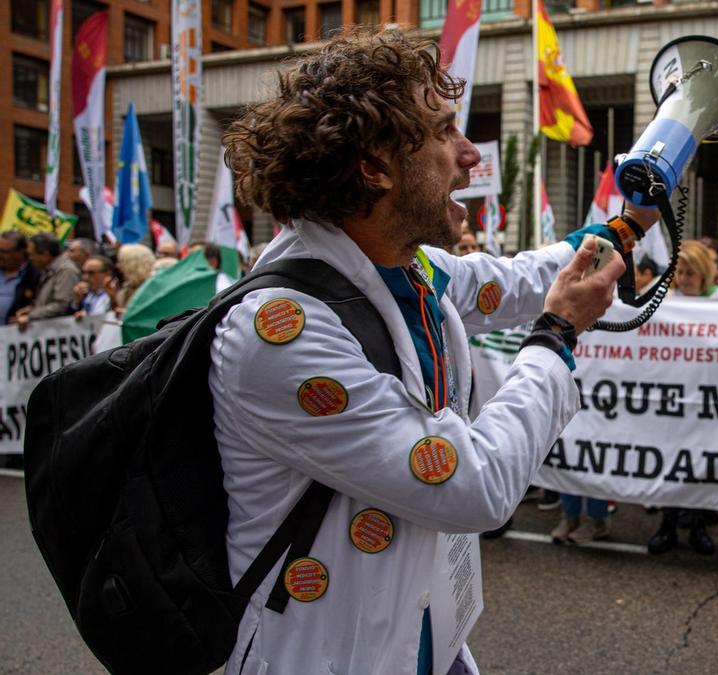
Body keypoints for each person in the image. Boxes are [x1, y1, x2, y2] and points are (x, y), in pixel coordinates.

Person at [216, 28, 650, 674]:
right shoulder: (281, 331)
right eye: (445, 131)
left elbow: (526, 277)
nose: (470, 155)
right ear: (374, 167)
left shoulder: (410, 267)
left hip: (419, 635)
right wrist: (556, 335)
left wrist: (631, 219)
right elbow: (473, 486)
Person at [648, 240, 718, 555]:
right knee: (672, 460)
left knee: (701, 463)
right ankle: (667, 524)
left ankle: (697, 525)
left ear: (704, 273)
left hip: (708, 395)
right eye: (679, 272)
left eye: (690, 273)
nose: (683, 279)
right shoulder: (667, 299)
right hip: (674, 395)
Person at [14, 232, 81, 327]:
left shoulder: (66, 271)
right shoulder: (49, 270)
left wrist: (31, 316)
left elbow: (62, 305)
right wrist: (33, 309)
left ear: (46, 254)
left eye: (32, 254)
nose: (30, 259)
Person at [0, 231, 40, 323]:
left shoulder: (34, 275)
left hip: (12, 329)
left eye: (4, 251)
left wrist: (28, 315)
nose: (0, 255)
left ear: (20, 252)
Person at [114, 243, 156, 314]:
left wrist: (127, 314)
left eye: (121, 262)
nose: (117, 266)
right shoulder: (126, 290)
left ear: (132, 264)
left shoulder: (153, 288)